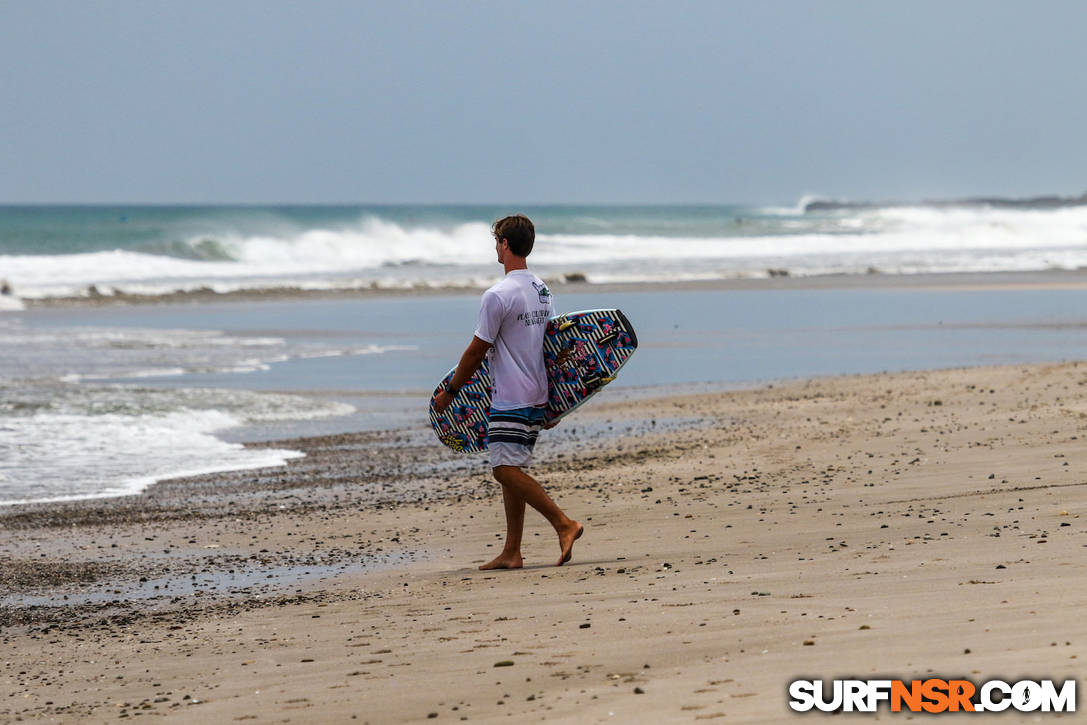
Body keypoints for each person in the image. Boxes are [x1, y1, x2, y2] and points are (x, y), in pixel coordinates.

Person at [433, 214, 583, 569]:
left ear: (504, 244)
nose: (496, 247)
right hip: (538, 393)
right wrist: (557, 404)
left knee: (503, 469)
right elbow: (553, 346)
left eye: (496, 241)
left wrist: (451, 392)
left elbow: (475, 351)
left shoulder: (497, 295)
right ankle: (512, 551)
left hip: (512, 397)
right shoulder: (541, 289)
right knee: (510, 467)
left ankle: (564, 524)